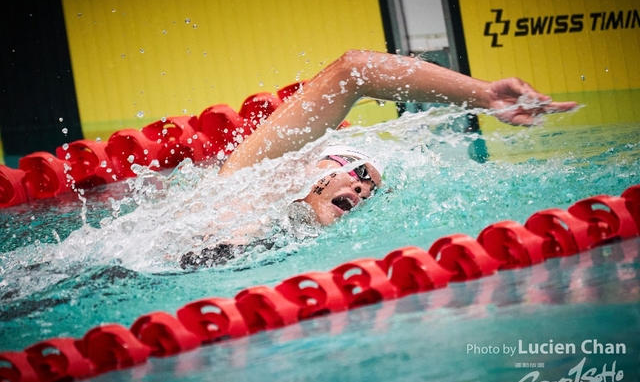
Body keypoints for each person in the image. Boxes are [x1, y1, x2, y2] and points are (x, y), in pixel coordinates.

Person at [180, 50, 577, 268]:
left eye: (368, 188)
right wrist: (485, 96)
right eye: (356, 172)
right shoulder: (241, 183)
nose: (360, 187)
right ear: (309, 165)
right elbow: (353, 72)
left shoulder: (309, 254)